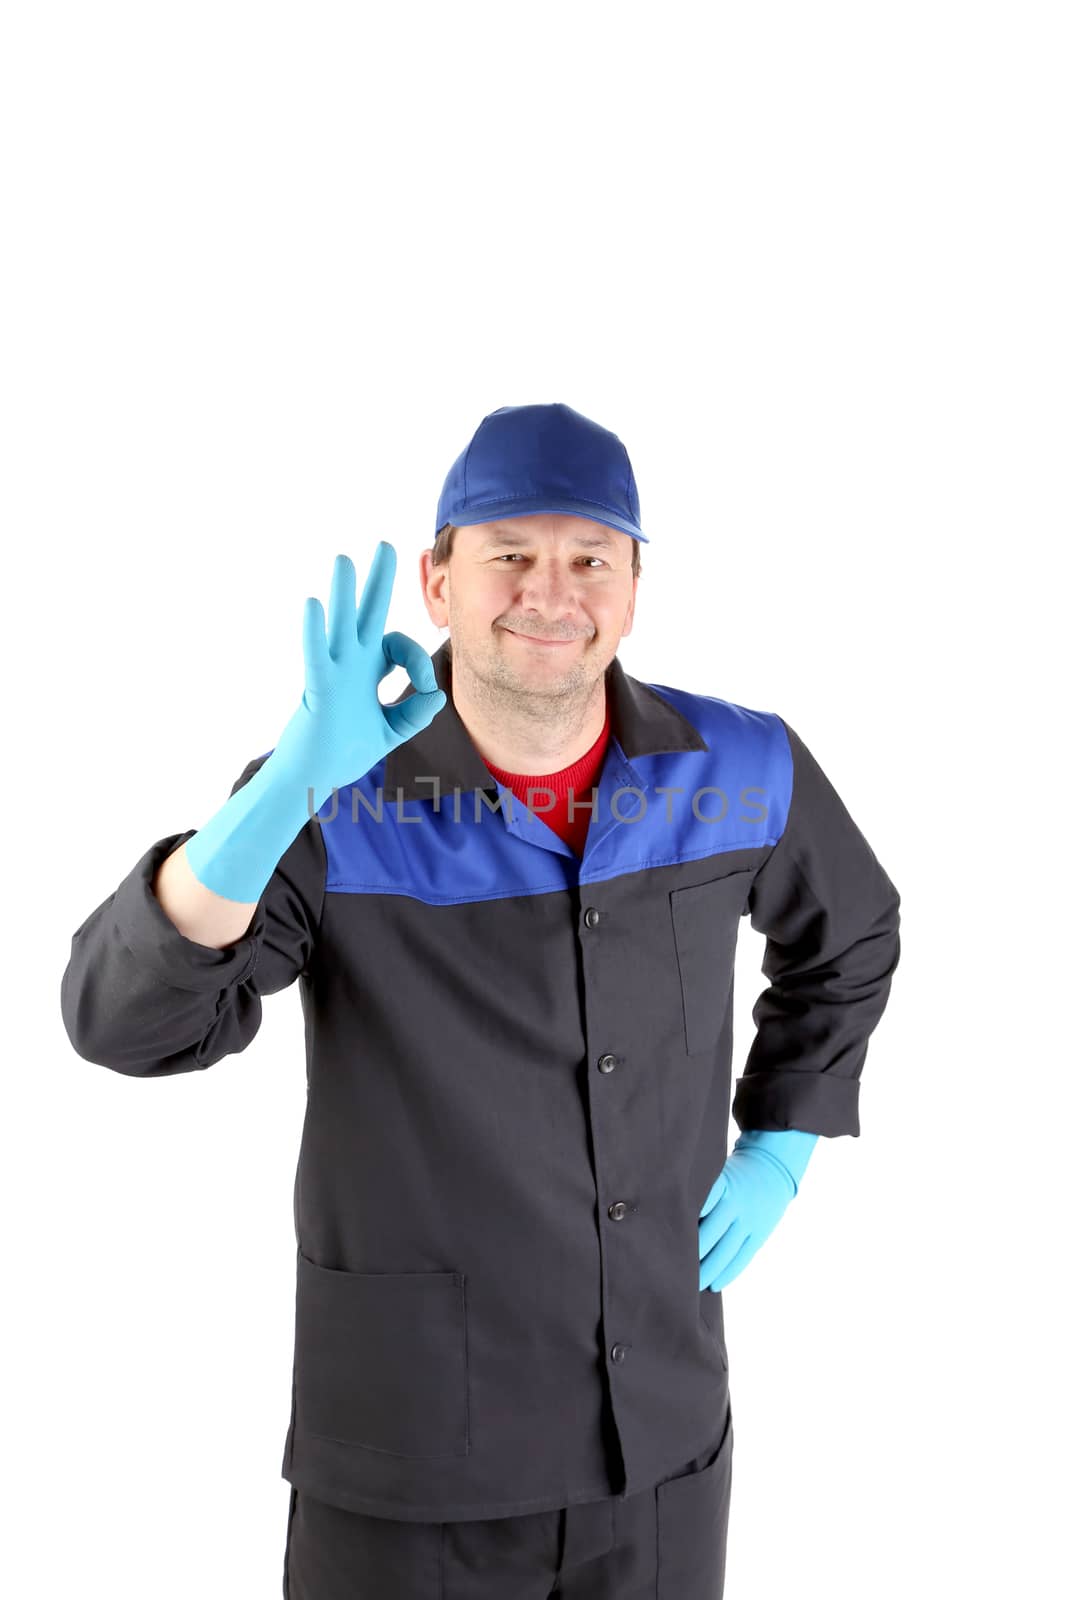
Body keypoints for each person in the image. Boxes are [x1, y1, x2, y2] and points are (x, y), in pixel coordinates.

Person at [60, 402, 902, 1598]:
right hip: (412, 1464)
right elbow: (123, 1023)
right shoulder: (334, 798)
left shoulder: (739, 767)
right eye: (508, 553)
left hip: (659, 1442)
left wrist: (782, 1138)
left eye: (587, 559)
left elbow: (850, 931)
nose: (548, 592)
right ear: (437, 580)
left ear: (633, 585)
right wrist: (286, 786)